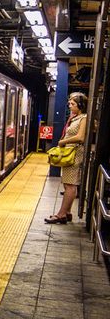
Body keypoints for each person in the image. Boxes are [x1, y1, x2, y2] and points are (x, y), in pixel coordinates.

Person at [45, 92, 88, 223]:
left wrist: (62, 142)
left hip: (75, 154)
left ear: (81, 105)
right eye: (69, 103)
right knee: (68, 184)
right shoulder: (76, 117)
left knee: (70, 185)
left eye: (73, 104)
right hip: (70, 153)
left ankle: (61, 214)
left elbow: (80, 137)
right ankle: (68, 212)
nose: (69, 105)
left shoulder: (84, 118)